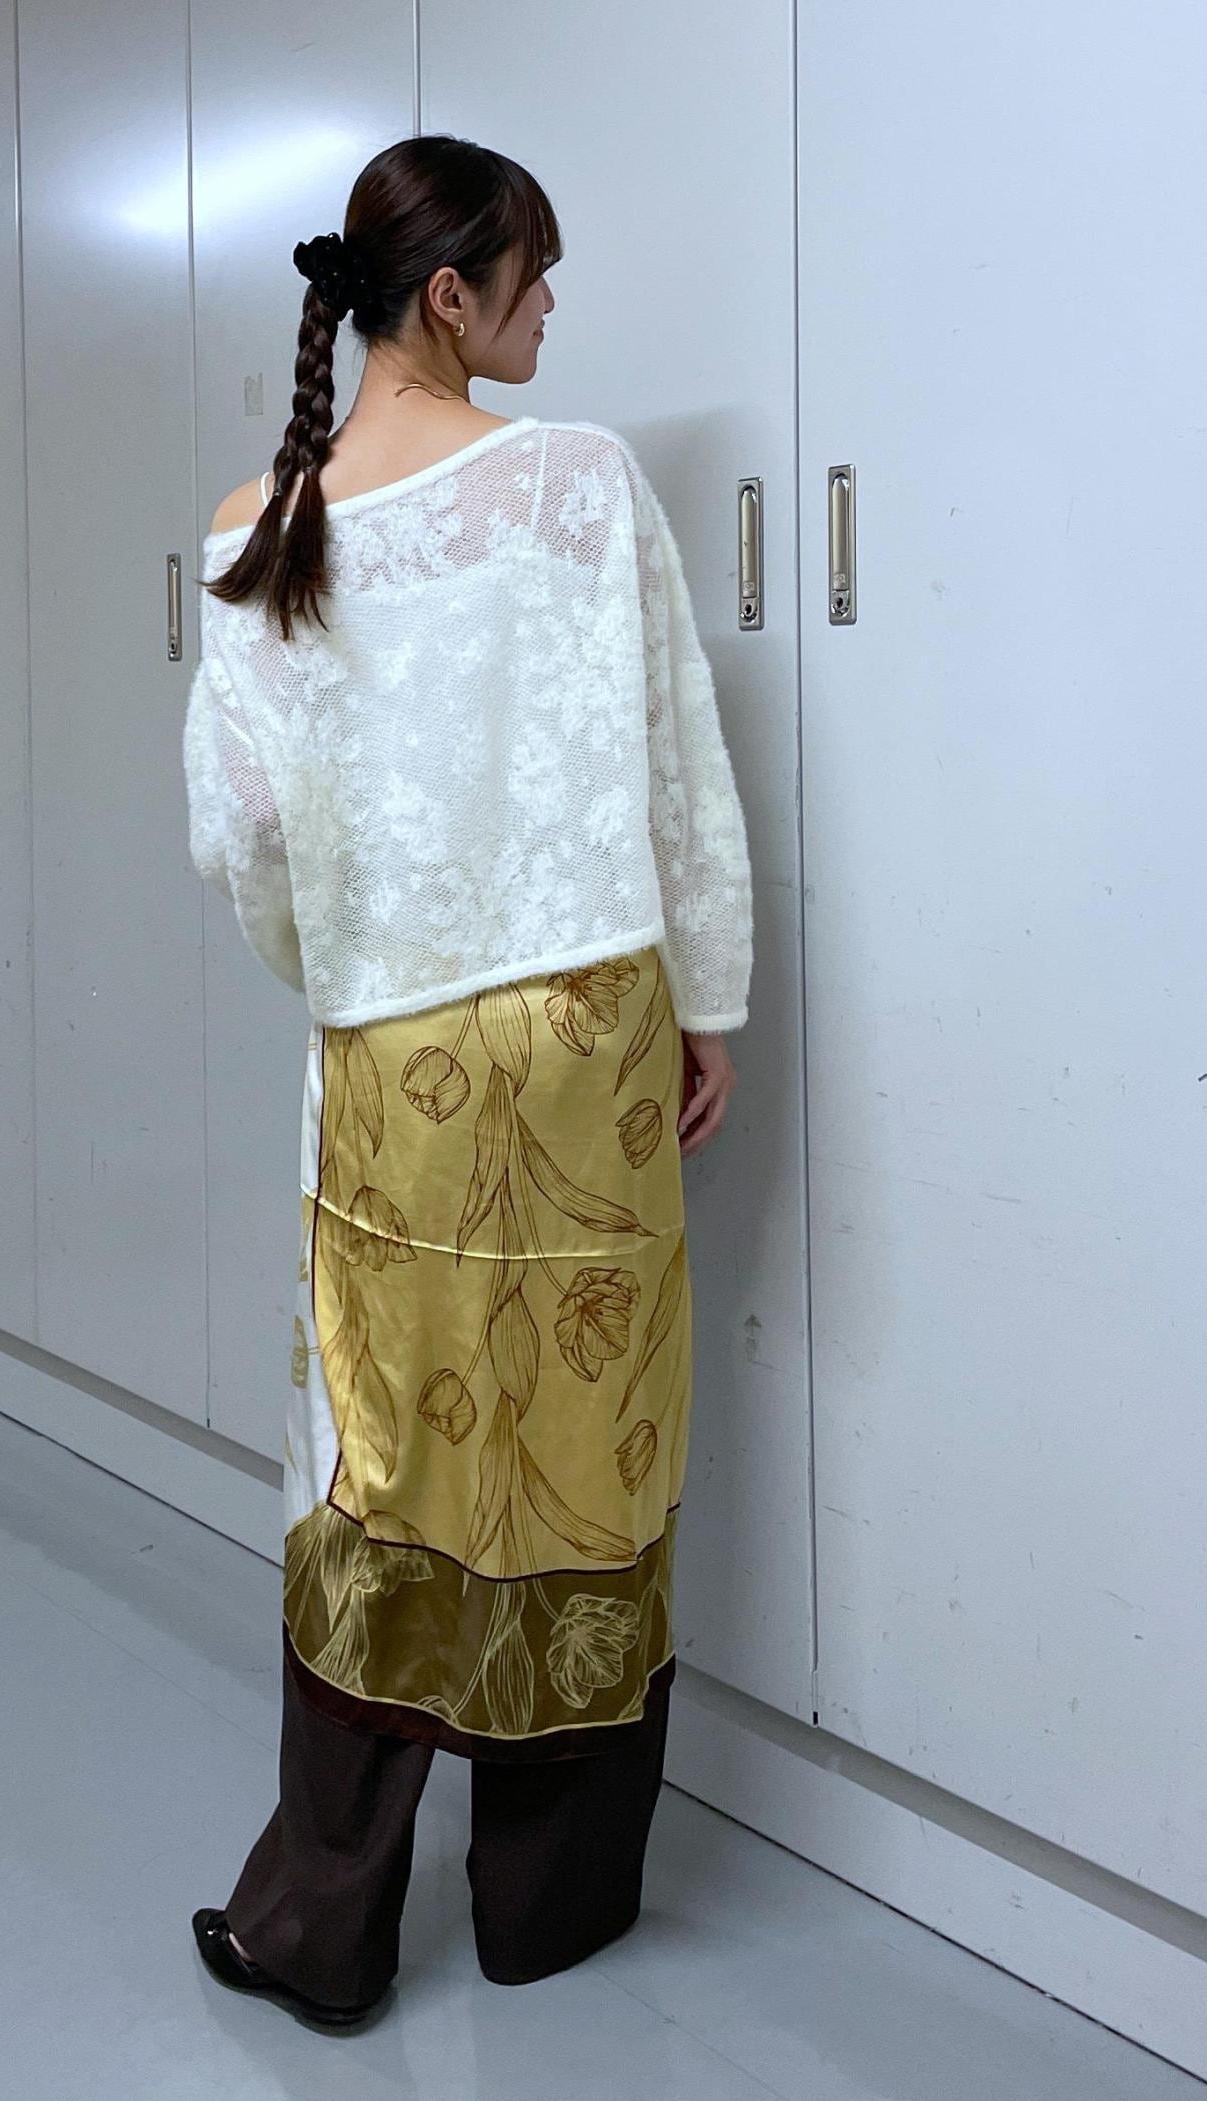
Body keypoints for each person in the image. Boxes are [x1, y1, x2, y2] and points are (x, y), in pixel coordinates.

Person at [182, 132, 754, 2030]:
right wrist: (706, 997)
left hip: (397, 1059)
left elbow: (241, 839)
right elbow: (671, 759)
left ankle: (321, 1925)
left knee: (382, 1461)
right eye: (535, 273)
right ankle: (548, 1906)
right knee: (590, 1445)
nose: (552, 305)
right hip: (591, 1034)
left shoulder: (260, 526)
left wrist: (350, 980)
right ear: (452, 294)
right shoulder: (578, 481)